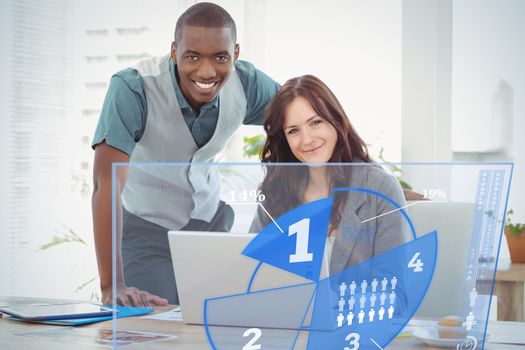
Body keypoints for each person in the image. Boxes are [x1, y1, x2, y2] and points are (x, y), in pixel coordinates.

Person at [92, 3, 279, 307]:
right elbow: (106, 184)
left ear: (236, 53)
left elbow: (303, 113)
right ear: (174, 51)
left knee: (214, 323)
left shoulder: (246, 83)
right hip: (146, 229)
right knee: (151, 328)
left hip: (208, 226)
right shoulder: (133, 88)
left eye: (220, 57)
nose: (206, 72)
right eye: (192, 57)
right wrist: (112, 285)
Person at [250, 75, 410, 275]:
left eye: (316, 122)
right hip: (286, 307)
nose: (307, 139)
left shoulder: (380, 188)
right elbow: (251, 273)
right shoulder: (276, 192)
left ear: (335, 120)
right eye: (293, 131)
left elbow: (395, 295)